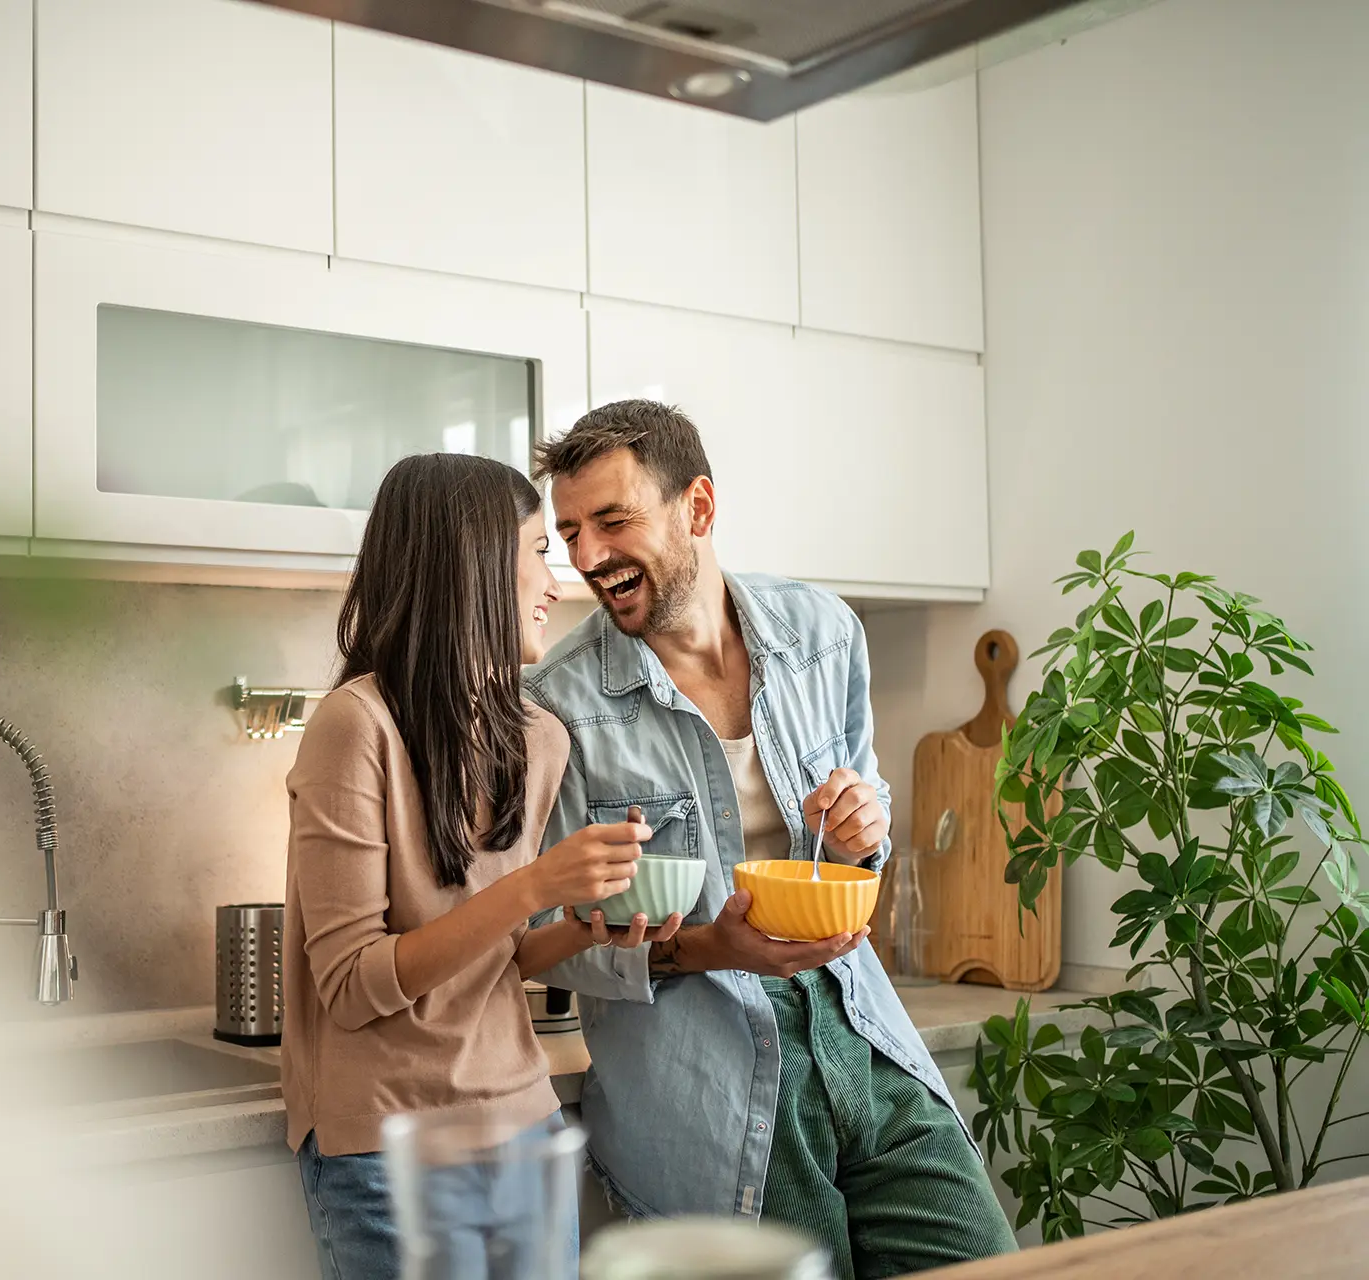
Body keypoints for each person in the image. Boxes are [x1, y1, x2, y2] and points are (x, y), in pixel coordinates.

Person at [524, 402, 1016, 1279]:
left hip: (863, 1032)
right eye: (569, 531)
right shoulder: (560, 705)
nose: (587, 558)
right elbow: (548, 942)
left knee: (986, 1261)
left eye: (612, 520)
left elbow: (859, 840)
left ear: (698, 508)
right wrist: (718, 948)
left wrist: (867, 827)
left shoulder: (824, 635)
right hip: (711, 1088)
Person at [281, 452, 679, 1280]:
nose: (557, 581)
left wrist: (579, 925)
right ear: (468, 566)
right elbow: (354, 984)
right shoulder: (356, 728)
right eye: (538, 550)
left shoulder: (538, 737)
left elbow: (498, 955)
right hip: (389, 1149)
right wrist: (535, 885)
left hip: (524, 1125)